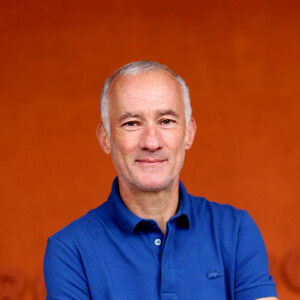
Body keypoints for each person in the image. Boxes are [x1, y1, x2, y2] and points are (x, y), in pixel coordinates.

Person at [44, 61, 278, 299]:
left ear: (188, 133)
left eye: (166, 121)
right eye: (132, 123)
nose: (151, 142)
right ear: (106, 138)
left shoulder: (236, 231)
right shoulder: (69, 251)